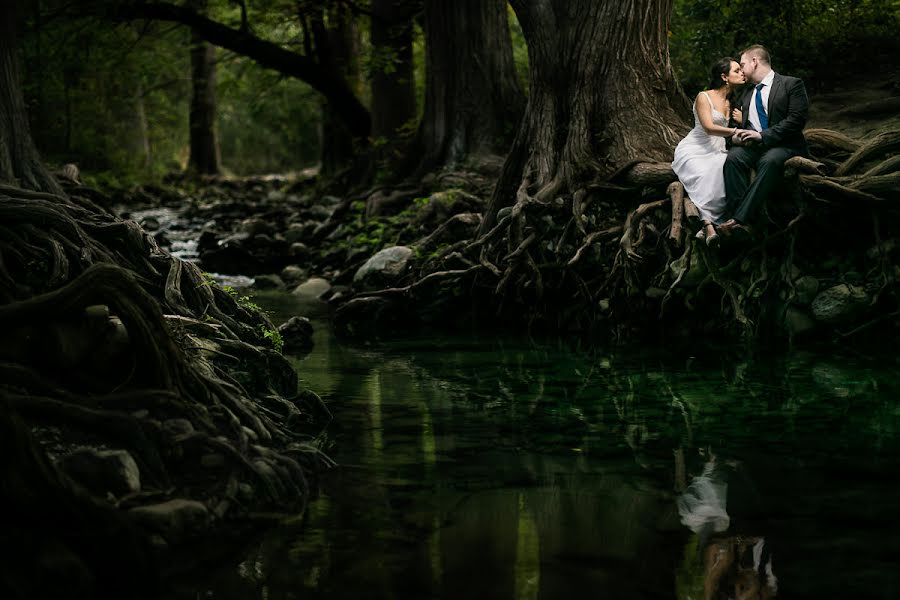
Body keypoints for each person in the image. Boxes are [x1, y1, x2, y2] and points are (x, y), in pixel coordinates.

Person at [720, 45, 810, 236]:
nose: (741, 69)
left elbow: (796, 120)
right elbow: (738, 126)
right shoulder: (745, 94)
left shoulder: (791, 84)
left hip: (785, 145)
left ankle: (739, 218)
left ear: (755, 62)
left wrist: (763, 136)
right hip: (753, 147)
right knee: (733, 158)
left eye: (742, 64)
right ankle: (744, 222)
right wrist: (738, 137)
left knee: (769, 160)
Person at [672, 58, 747, 247]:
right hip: (696, 148)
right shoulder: (703, 96)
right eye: (737, 70)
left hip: (718, 148)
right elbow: (709, 128)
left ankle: (706, 226)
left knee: (723, 171)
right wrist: (737, 130)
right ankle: (708, 224)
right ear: (724, 77)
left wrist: (742, 121)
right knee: (706, 174)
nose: (742, 73)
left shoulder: (733, 103)